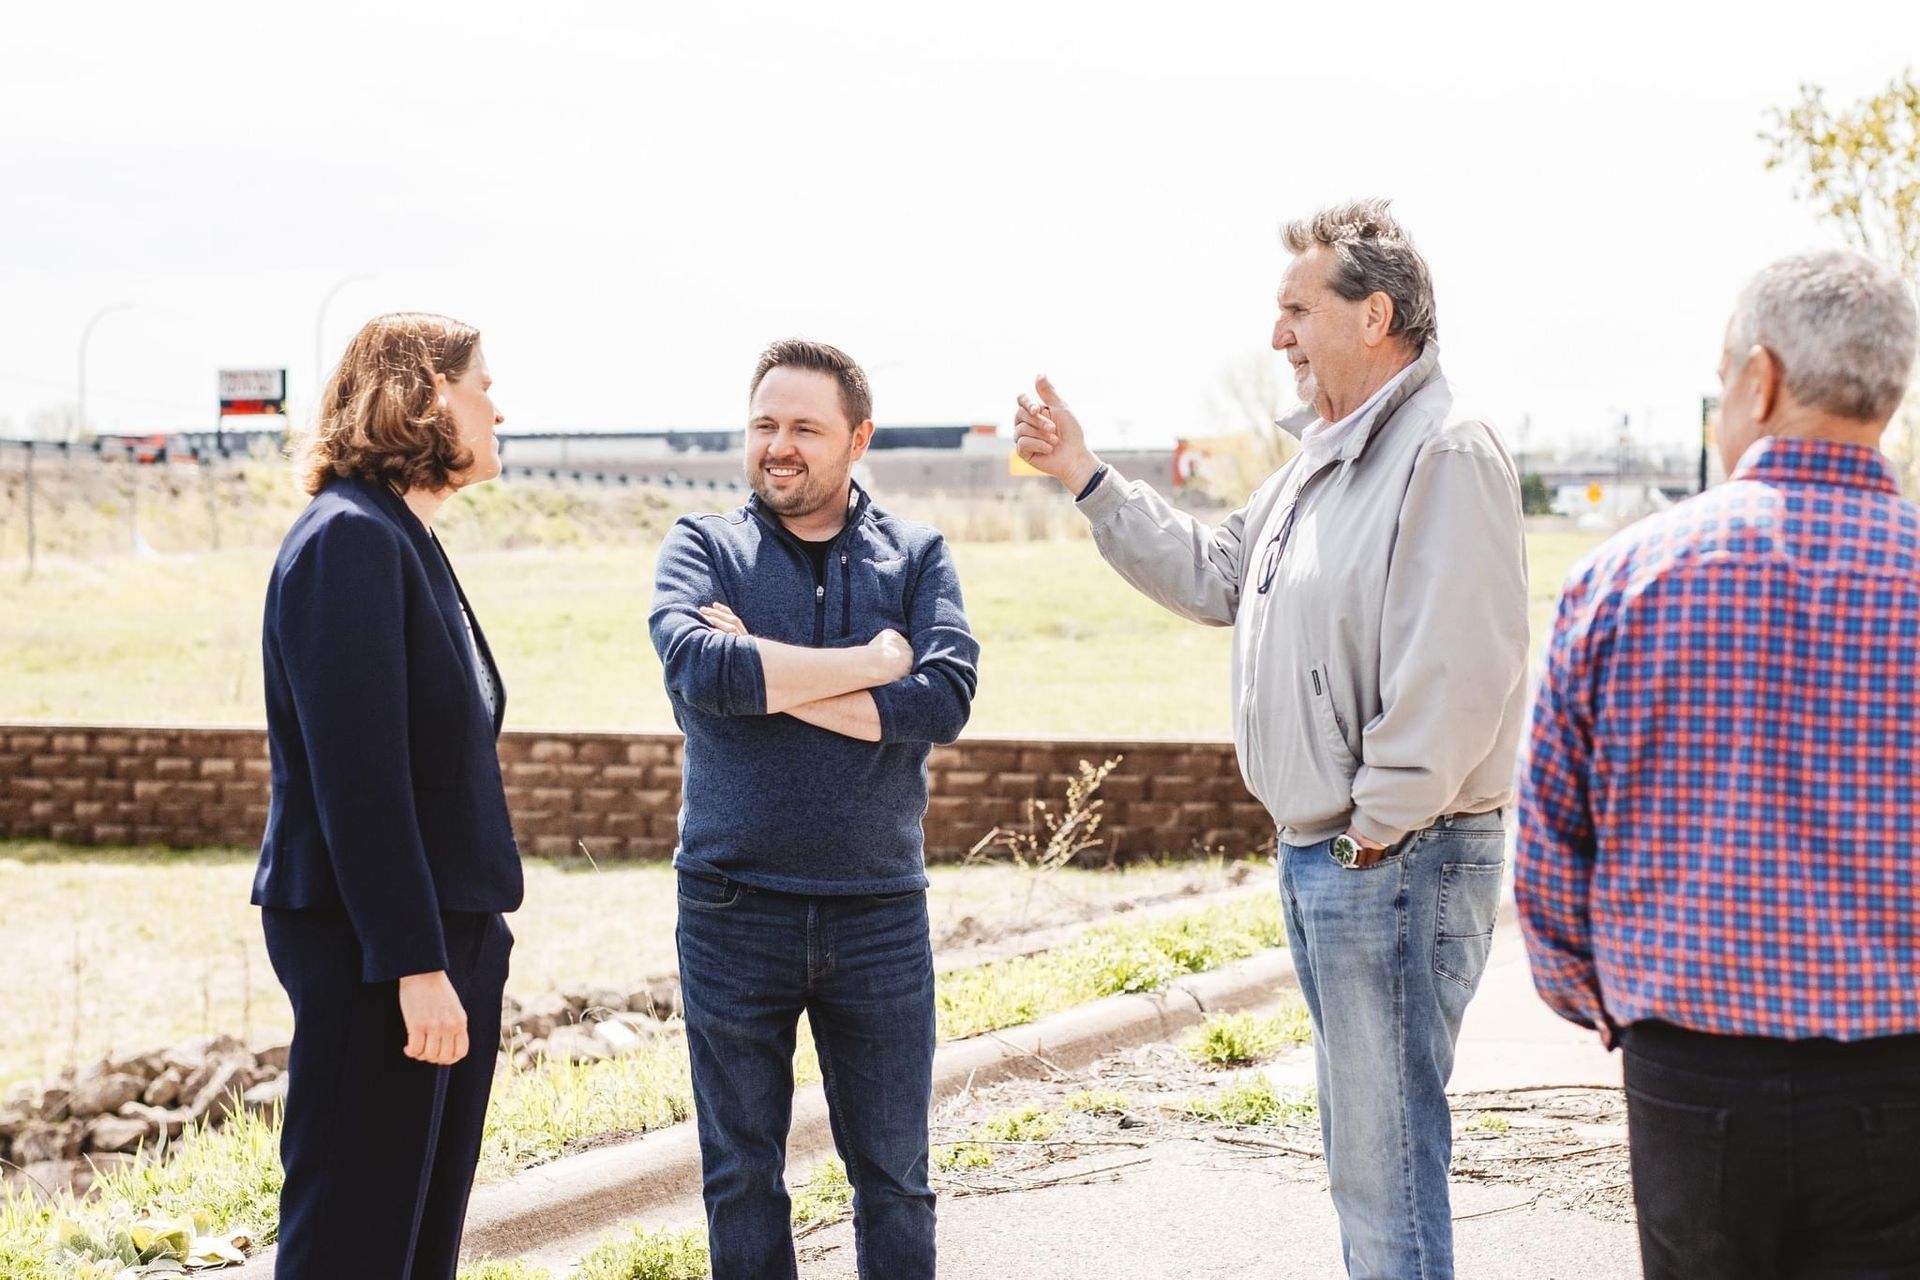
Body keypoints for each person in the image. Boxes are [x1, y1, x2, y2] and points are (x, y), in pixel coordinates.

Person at [1012, 199, 1530, 1280]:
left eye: (1296, 308)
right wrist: (1089, 479)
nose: (1278, 335)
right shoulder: (1312, 465)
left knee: (1386, 1163)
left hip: (1395, 858)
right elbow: (1213, 572)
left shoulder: (1444, 453)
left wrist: (1373, 832)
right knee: (1364, 1155)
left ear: (1374, 313)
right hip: (1338, 855)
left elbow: (1458, 676)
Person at [1515, 250, 1920, 1279]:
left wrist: (1611, 1004)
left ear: (1761, 379)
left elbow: (1550, 843)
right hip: (1899, 1071)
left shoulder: (1622, 578)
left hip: (1690, 1062)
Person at [649, 338, 978, 1280]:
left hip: (877, 911)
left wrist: (773, 675)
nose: (777, 446)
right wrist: (876, 666)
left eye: (804, 427)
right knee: (742, 1175)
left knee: (895, 1178)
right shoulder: (702, 545)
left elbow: (944, 696)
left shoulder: (916, 555)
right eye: (763, 424)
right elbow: (702, 671)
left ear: (857, 438)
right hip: (730, 908)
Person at [253, 312, 520, 1278]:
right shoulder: (349, 542)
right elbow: (359, 780)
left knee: (414, 1238)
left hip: (443, 933)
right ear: (424, 394)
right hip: (381, 949)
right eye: (481, 382)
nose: (499, 404)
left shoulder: (401, 535)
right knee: (356, 1236)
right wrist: (414, 963)